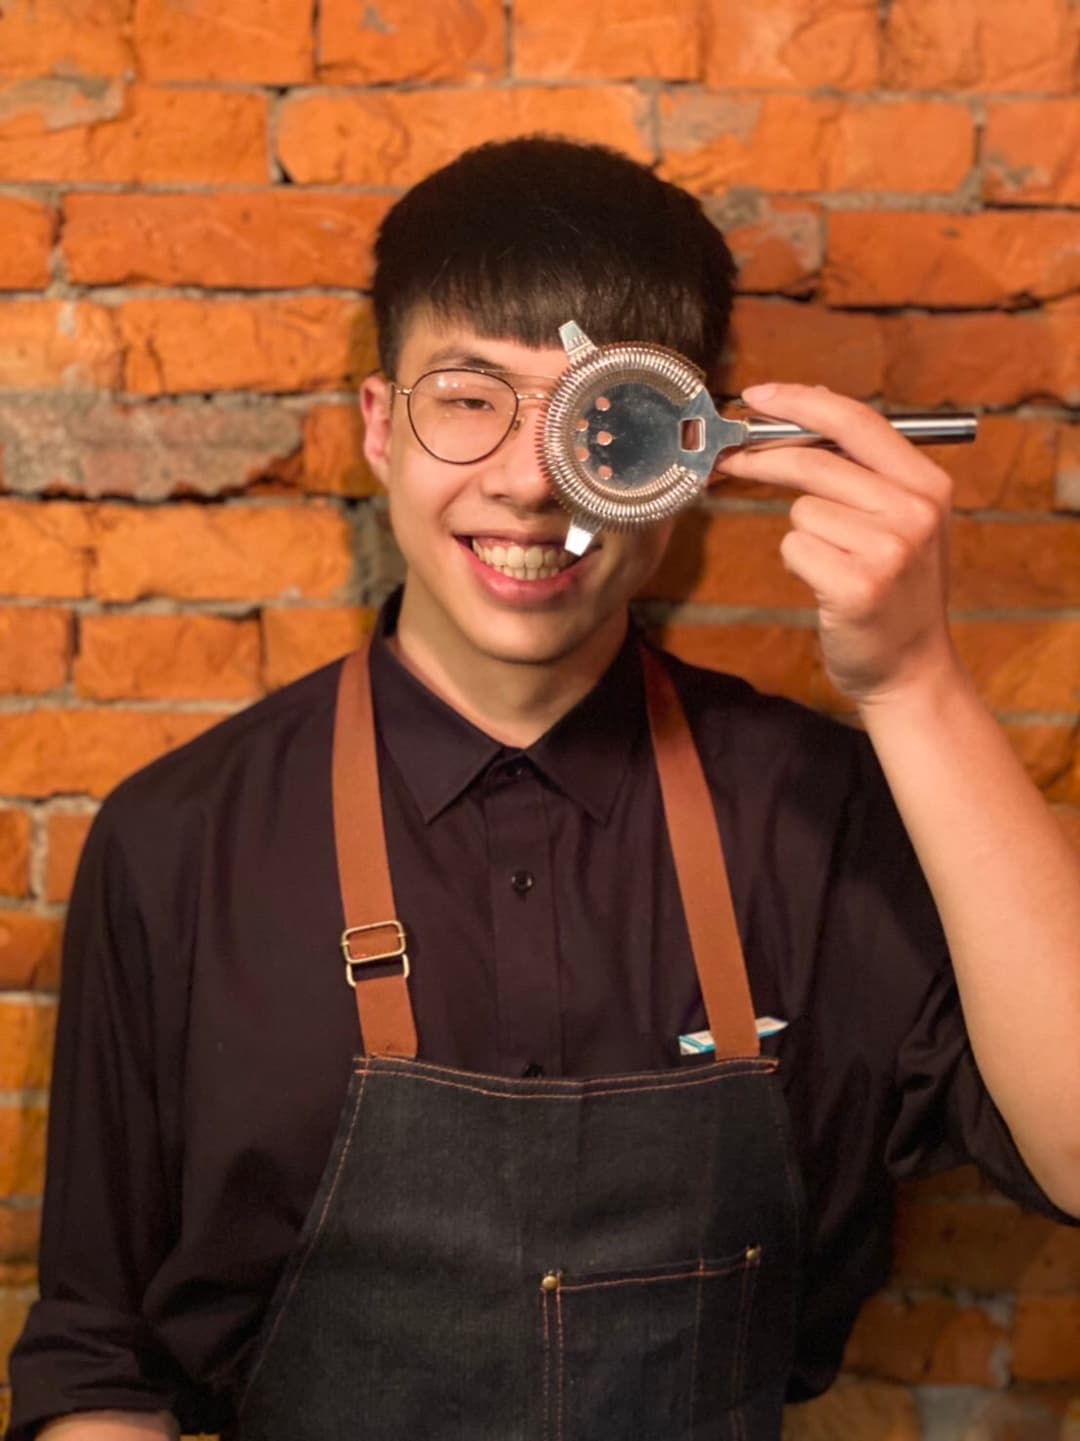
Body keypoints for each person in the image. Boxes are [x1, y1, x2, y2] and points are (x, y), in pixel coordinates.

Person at [9, 136, 1080, 1441]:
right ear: (377, 428)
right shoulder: (178, 841)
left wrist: (918, 682)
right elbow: (96, 1367)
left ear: (692, 453)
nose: (530, 480)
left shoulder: (825, 814)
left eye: (602, 418)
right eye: (469, 397)